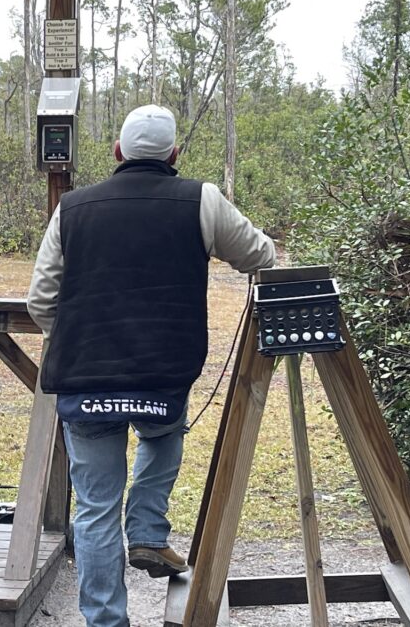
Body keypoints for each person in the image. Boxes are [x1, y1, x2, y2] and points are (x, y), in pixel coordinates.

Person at [27, 104, 276, 627]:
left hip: (86, 376)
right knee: (163, 434)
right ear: (174, 155)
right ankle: (146, 529)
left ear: (116, 153)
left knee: (94, 508)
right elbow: (259, 255)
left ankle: (106, 620)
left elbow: (40, 298)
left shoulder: (71, 207)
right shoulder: (201, 199)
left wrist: (69, 336)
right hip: (164, 373)